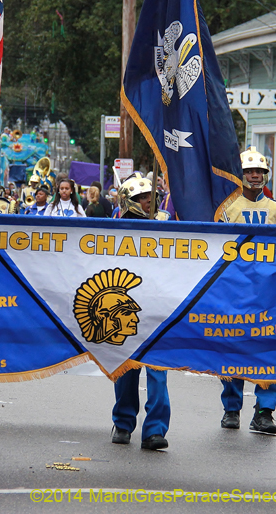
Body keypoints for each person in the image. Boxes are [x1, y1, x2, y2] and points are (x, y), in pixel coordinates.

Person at [218, 147, 276, 434]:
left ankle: (264, 411)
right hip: (235, 288)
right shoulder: (227, 207)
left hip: (267, 290)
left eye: (259, 171)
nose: (255, 176)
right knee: (233, 348)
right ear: (241, 175)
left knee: (266, 352)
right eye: (249, 171)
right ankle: (231, 408)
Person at [111, 173, 171, 451]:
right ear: (127, 201)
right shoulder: (114, 227)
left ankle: (155, 429)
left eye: (150, 196)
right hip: (125, 307)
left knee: (158, 370)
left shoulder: (165, 224)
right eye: (140, 198)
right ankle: (123, 423)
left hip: (158, 306)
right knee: (126, 370)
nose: (148, 201)